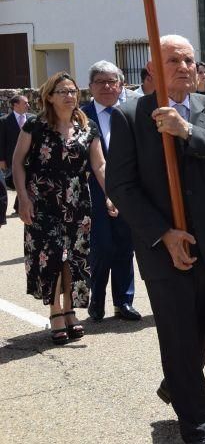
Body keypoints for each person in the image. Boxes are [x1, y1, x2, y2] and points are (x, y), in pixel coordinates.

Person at [107, 35, 205, 444]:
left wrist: (187, 132)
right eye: (173, 60)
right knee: (179, 336)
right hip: (163, 249)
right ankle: (198, 428)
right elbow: (121, 185)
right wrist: (163, 233)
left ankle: (176, 380)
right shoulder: (130, 116)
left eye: (188, 59)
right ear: (152, 69)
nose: (184, 66)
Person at [13, 72, 108, 345]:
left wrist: (111, 195)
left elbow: (99, 165)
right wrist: (23, 197)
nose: (70, 96)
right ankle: (55, 312)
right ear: (49, 97)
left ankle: (69, 310)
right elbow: (18, 162)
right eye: (63, 91)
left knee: (74, 257)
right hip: (42, 202)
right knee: (52, 256)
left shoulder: (88, 128)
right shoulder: (35, 126)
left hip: (78, 201)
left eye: (73, 91)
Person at [83, 61, 141, 322]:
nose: (107, 87)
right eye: (100, 82)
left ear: (121, 86)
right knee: (101, 247)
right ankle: (96, 299)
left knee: (124, 246)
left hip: (128, 192)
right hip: (92, 192)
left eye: (112, 82)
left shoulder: (133, 114)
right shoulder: (80, 116)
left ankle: (124, 302)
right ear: (91, 87)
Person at [1, 95, 35, 217]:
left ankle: (19, 206)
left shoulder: (32, 119)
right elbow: (1, 141)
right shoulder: (5, 121)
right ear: (15, 105)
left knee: (26, 181)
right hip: (13, 157)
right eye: (25, 103)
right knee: (15, 182)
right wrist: (1, 159)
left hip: (31, 157)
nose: (28, 105)